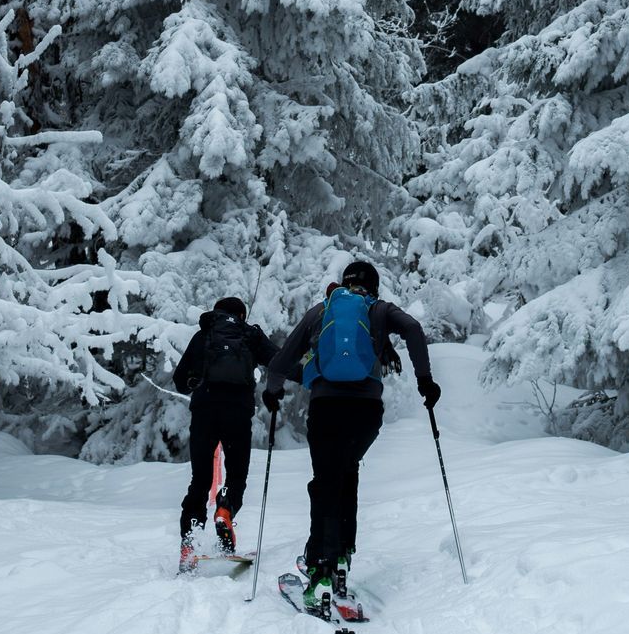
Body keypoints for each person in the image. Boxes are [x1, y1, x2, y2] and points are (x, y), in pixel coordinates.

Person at [263, 259, 440, 615]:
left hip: (327, 407)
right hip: (366, 413)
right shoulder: (379, 310)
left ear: (343, 284)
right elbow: (415, 329)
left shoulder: (323, 310)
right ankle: (341, 558)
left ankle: (321, 573)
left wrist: (272, 390)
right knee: (347, 475)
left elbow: (284, 357)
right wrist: (425, 380)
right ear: (374, 286)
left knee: (325, 483)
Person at [172, 295, 276, 570]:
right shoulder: (249, 335)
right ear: (241, 315)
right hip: (238, 412)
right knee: (237, 474)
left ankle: (191, 542)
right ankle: (225, 509)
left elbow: (180, 379)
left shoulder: (204, 334)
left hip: (205, 410)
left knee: (200, 479)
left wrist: (194, 381)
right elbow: (280, 361)